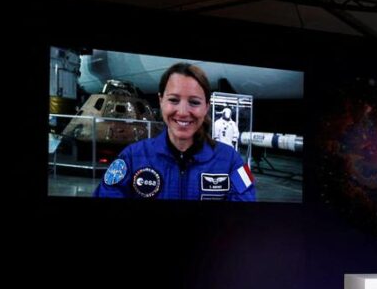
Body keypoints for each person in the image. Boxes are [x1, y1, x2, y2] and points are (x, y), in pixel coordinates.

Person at [94, 63, 256, 201]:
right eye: (173, 100)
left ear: (206, 107)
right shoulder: (131, 158)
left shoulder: (232, 162)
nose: (183, 112)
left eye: (194, 102)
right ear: (161, 101)